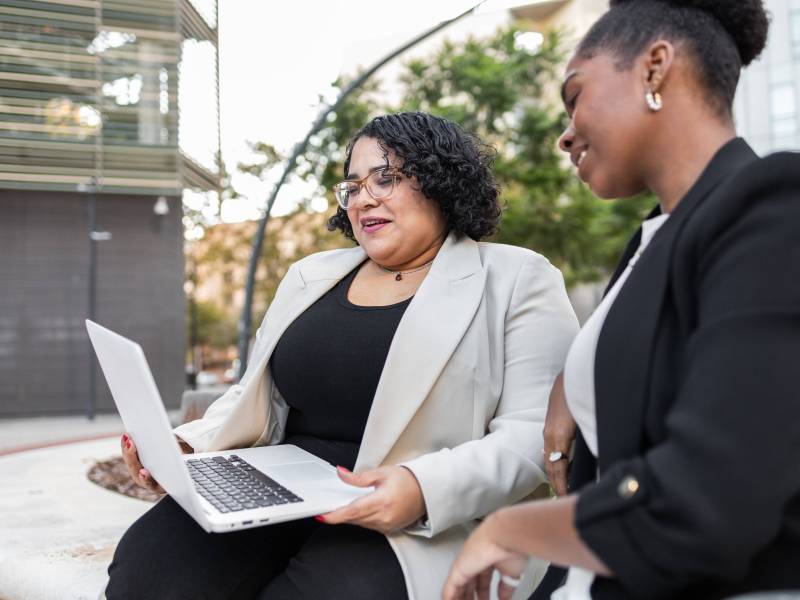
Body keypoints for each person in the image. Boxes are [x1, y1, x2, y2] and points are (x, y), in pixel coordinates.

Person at [106, 111, 579, 600]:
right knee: (149, 570)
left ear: (442, 182)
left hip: (417, 516)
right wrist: (185, 448)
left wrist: (421, 488)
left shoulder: (518, 278)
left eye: (387, 178)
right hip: (281, 489)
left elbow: (534, 432)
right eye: (352, 186)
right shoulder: (311, 276)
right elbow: (256, 395)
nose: (364, 197)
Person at [443, 1, 800, 598]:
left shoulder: (769, 206)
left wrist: (514, 527)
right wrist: (573, 378)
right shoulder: (650, 241)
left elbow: (712, 493)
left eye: (575, 94)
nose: (565, 132)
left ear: (655, 67)